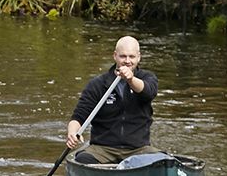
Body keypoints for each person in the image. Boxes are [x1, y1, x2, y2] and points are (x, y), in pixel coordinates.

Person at [66, 37, 158, 165]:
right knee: (83, 159)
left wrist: (131, 80)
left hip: (139, 149)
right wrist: (72, 132)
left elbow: (148, 92)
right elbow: (79, 116)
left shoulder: (147, 78)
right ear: (115, 56)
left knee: (163, 162)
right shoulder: (97, 84)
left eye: (131, 57)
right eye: (123, 56)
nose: (127, 61)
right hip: (103, 149)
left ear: (138, 57)